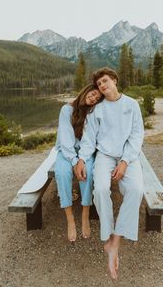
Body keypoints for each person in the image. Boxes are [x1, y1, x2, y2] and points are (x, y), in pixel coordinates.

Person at [75, 67, 144, 279]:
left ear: (114, 80)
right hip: (104, 155)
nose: (102, 86)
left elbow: (136, 135)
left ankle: (115, 242)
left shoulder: (132, 105)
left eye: (105, 81)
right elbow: (88, 139)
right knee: (101, 189)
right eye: (99, 85)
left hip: (127, 156)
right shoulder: (98, 110)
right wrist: (81, 159)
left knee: (136, 190)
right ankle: (107, 235)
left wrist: (124, 162)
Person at [54, 84, 103, 242]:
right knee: (62, 173)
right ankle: (69, 218)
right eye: (94, 93)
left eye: (97, 98)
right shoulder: (66, 110)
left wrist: (82, 159)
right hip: (66, 151)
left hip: (85, 152)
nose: (94, 98)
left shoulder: (92, 112)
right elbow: (66, 141)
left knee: (88, 171)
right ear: (87, 90)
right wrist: (75, 162)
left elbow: (90, 141)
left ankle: (85, 213)